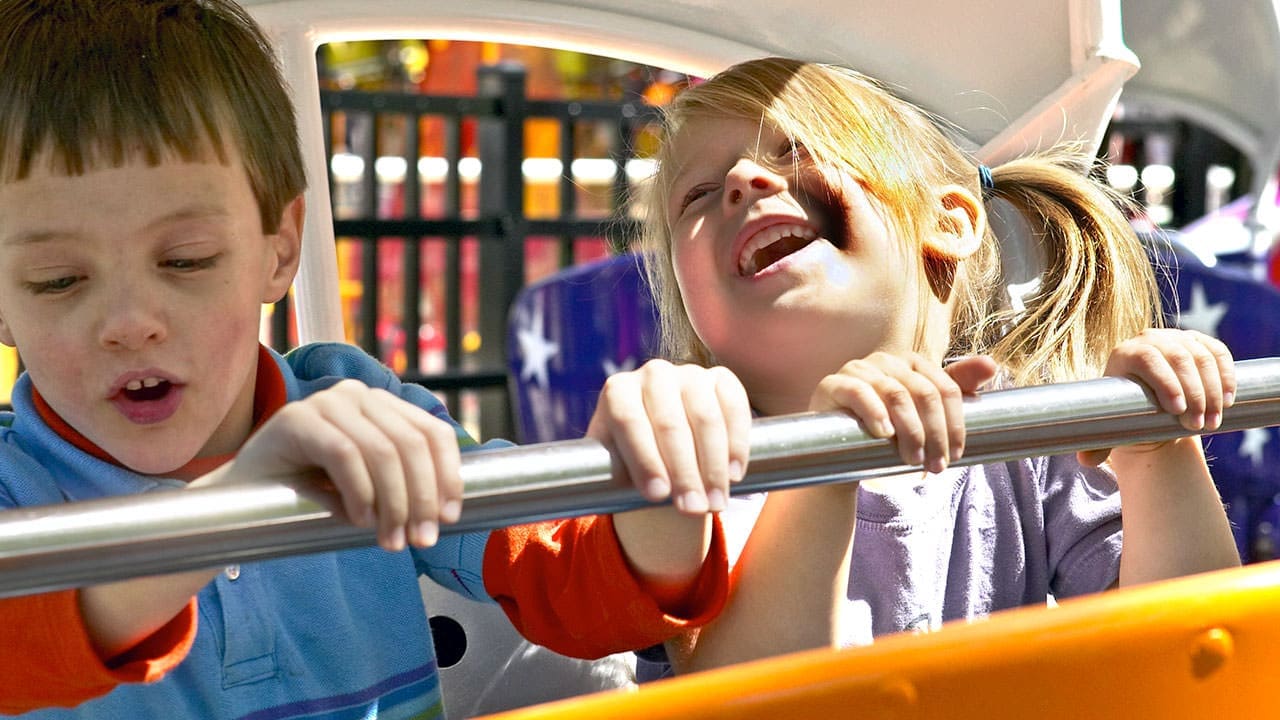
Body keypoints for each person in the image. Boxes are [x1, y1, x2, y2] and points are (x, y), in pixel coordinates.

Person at [0, 1, 749, 716]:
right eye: (57, 280)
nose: (131, 323)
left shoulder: (354, 404)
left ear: (280, 249)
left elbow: (577, 587)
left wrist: (664, 472)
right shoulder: (13, 488)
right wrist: (236, 506)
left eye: (187, 260)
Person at [618, 56, 1241, 673]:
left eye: (797, 150)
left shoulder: (1022, 433)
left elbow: (1186, 669)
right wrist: (828, 464)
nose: (744, 179)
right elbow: (740, 704)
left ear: (948, 222)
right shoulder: (701, 450)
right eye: (696, 195)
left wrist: (1160, 457)